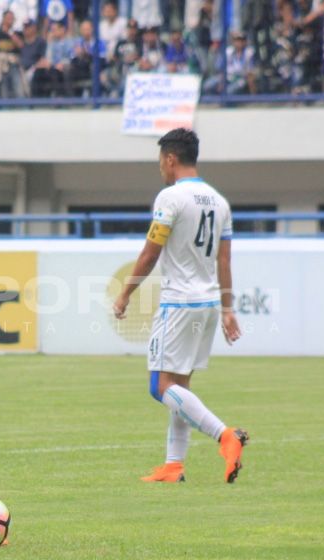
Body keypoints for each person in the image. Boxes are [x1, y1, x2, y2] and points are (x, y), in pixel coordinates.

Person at [113, 128, 248, 485]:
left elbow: (150, 252)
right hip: (206, 305)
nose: (160, 167)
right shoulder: (220, 203)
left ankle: (225, 436)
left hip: (178, 302)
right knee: (179, 386)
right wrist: (227, 308)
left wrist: (126, 293)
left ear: (170, 159)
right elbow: (224, 261)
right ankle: (174, 466)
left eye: (160, 160)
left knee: (159, 386)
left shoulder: (170, 198)